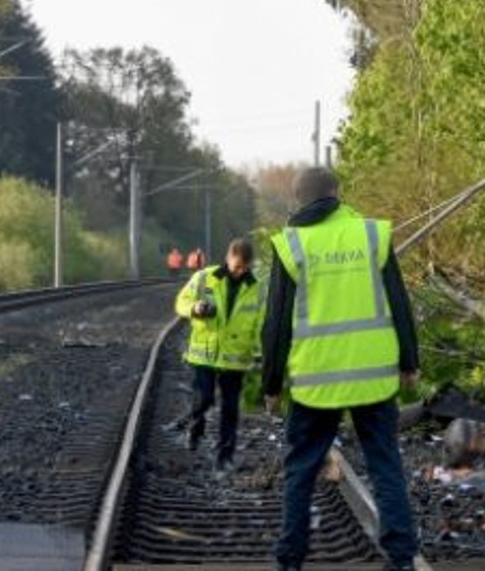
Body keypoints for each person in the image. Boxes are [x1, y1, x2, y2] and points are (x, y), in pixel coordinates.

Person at [263, 166, 420, 571]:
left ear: (297, 199)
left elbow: (276, 322)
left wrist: (272, 383)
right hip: (373, 374)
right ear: (337, 192)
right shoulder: (370, 234)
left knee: (301, 469)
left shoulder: (291, 243)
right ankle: (402, 558)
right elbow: (399, 302)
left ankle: (290, 560)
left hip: (315, 379)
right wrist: (410, 363)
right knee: (384, 463)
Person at [171, 238, 263, 473]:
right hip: (205, 354)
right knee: (204, 398)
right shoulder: (204, 277)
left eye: (245, 267)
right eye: (237, 266)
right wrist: (194, 308)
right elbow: (181, 302)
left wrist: (259, 353)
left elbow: (260, 323)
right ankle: (195, 424)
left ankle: (225, 456)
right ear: (228, 258)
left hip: (236, 358)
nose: (240, 272)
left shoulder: (256, 288)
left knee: (230, 410)